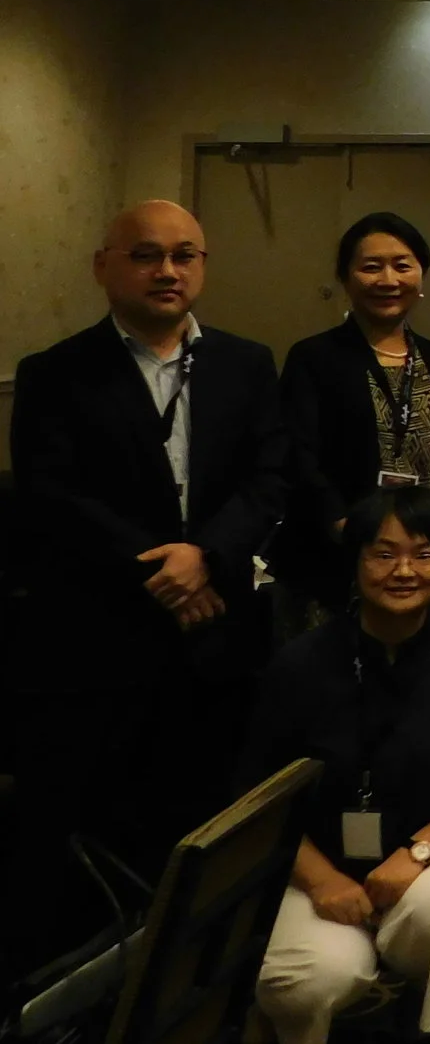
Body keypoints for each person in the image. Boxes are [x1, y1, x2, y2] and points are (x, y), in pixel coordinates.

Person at [6, 200, 290, 976]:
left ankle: (198, 984)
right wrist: (164, 571)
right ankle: (84, 995)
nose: (167, 270)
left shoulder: (246, 363)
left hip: (219, 644)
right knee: (90, 844)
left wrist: (209, 556)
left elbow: (270, 478)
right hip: (100, 650)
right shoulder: (54, 372)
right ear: (104, 266)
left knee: (206, 825)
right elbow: (53, 497)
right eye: (145, 254)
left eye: (184, 254)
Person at [246, 488, 430, 1044]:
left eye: (425, 554)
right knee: (306, 981)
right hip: (317, 868)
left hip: (428, 862)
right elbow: (260, 797)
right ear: (354, 562)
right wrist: (321, 880)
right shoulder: (300, 664)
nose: (404, 571)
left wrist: (419, 852)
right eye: (383, 553)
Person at [274, 212, 430, 609]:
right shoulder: (313, 357)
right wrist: (346, 528)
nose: (388, 280)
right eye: (371, 267)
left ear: (421, 275)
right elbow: (299, 456)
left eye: (402, 266)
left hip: (422, 557)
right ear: (346, 278)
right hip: (335, 558)